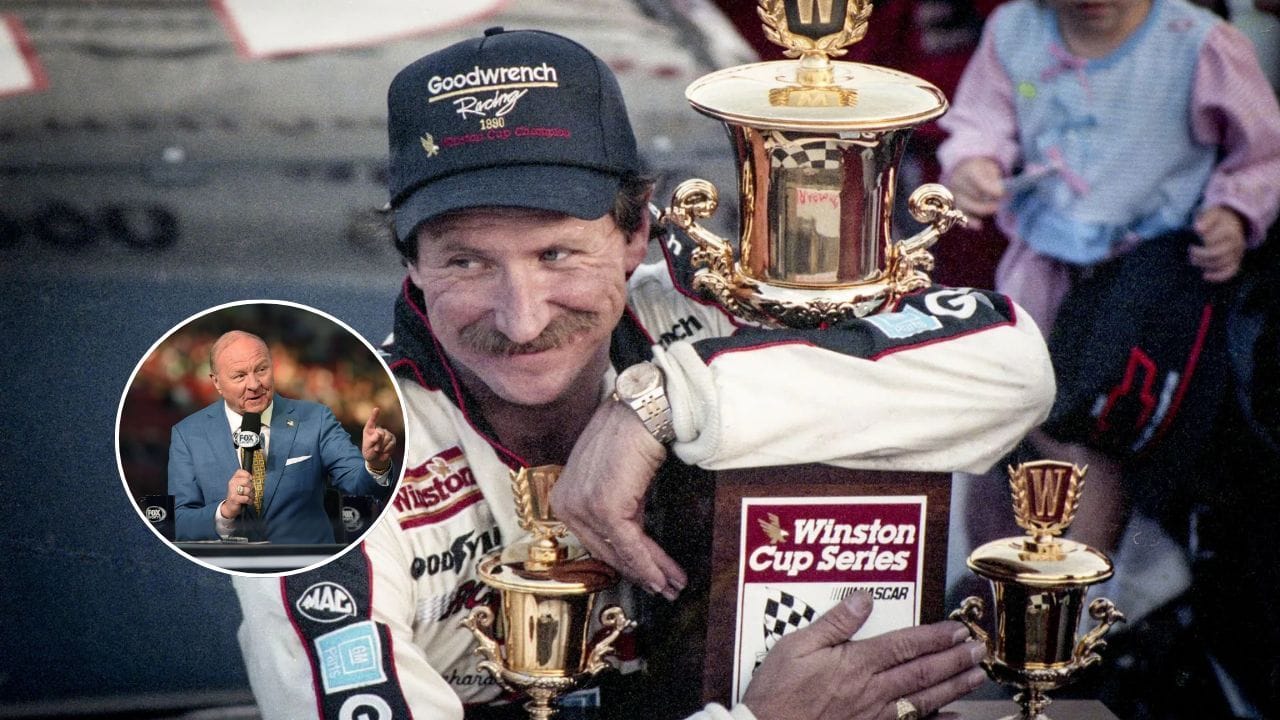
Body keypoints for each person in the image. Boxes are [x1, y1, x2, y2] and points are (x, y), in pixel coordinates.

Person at [231, 28, 1055, 720]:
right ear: (411, 266)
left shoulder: (703, 322)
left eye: (558, 253)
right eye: (467, 262)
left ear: (638, 236)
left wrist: (654, 407)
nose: (521, 318)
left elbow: (1013, 365)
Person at [938, 0, 1280, 558]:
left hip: (1142, 282)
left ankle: (1074, 606)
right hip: (1040, 266)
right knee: (1001, 422)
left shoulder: (1198, 43)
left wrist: (1236, 212)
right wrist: (975, 164)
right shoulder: (1016, 29)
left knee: (1093, 434)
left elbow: (1262, 152)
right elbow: (980, 119)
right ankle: (992, 586)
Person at [169, 330, 397, 544]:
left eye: (261, 370)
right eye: (239, 376)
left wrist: (376, 466)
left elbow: (361, 485)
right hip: (229, 569)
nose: (254, 384)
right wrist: (225, 511)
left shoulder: (315, 419)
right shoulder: (188, 434)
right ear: (217, 382)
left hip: (307, 565)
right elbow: (178, 523)